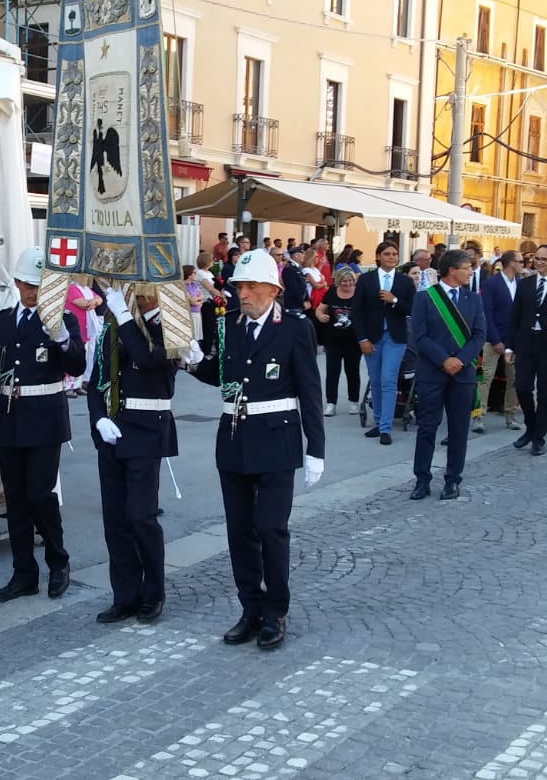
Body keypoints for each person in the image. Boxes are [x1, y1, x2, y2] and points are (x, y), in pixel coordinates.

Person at [186, 248, 323, 650]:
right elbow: (220, 373)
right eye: (239, 287)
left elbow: (310, 391)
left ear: (271, 289)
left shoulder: (295, 327)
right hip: (233, 438)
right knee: (240, 531)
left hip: (277, 439)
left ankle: (275, 611)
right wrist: (193, 360)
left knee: (271, 528)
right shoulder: (229, 325)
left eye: (249, 286)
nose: (241, 293)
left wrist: (316, 448)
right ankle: (251, 608)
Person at [0, 247, 85, 603]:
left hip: (45, 419)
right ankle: (24, 574)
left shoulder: (61, 320)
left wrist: (63, 341)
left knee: (40, 495)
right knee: (16, 501)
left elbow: (78, 367)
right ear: (18, 283)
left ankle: (58, 562)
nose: (34, 291)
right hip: (10, 417)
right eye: (28, 284)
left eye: (40, 285)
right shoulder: (1, 321)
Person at [87, 283, 198, 625]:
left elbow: (146, 356)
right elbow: (97, 381)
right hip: (114, 429)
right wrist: (98, 420)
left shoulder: (170, 325)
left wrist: (122, 314)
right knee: (115, 521)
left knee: (140, 516)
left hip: (149, 428)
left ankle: (153, 593)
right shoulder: (114, 327)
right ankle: (125, 596)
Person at [409, 250, 486, 499]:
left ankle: (453, 479)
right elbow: (419, 336)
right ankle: (422, 479)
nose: (471, 271)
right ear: (452, 270)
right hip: (432, 371)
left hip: (462, 374)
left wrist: (460, 360)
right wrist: (444, 359)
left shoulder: (473, 299)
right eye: (467, 267)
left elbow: (479, 335)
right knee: (428, 427)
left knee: (458, 429)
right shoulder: (425, 298)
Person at [506, 245, 547, 458]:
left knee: (546, 394)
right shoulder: (525, 285)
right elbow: (515, 317)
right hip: (526, 344)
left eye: (544, 259)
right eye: (537, 258)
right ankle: (531, 425)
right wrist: (510, 346)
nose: (540, 262)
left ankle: (538, 437)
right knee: (523, 387)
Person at [352, 242, 414, 446]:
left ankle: (386, 427)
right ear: (378, 256)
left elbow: (412, 308)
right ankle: (379, 422)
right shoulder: (366, 280)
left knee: (389, 380)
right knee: (376, 380)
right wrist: (362, 339)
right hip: (372, 337)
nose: (391, 257)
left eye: (395, 254)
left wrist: (394, 300)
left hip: (395, 337)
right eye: (387, 254)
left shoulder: (404, 281)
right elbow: (357, 311)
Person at [479, 250, 522, 431]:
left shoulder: (520, 284)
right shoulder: (491, 284)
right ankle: (477, 415)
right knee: (484, 377)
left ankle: (510, 414)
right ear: (511, 263)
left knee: (513, 379)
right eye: (520, 261)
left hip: (514, 340)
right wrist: (495, 339)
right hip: (492, 338)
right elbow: (486, 313)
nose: (522, 264)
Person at [315, 266, 363, 416]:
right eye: (344, 281)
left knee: (353, 371)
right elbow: (320, 309)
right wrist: (320, 316)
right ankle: (331, 403)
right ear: (338, 281)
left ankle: (354, 401)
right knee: (332, 372)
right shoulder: (331, 293)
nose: (347, 284)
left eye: (350, 281)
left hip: (353, 340)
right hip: (333, 339)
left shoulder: (359, 294)